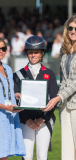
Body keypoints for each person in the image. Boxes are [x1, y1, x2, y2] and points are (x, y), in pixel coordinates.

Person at [13, 36, 58, 160]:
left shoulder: (50, 73)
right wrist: (27, 120)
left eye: (36, 52)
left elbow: (53, 99)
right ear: (27, 53)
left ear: (42, 53)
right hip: (25, 120)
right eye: (30, 52)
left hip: (44, 120)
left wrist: (42, 119)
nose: (33, 55)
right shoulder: (17, 75)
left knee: (41, 156)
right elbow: (16, 101)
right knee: (26, 156)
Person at [44, 15, 76, 160]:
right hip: (64, 106)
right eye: (70, 28)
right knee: (66, 148)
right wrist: (54, 98)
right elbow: (64, 81)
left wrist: (59, 96)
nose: (73, 31)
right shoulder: (65, 52)